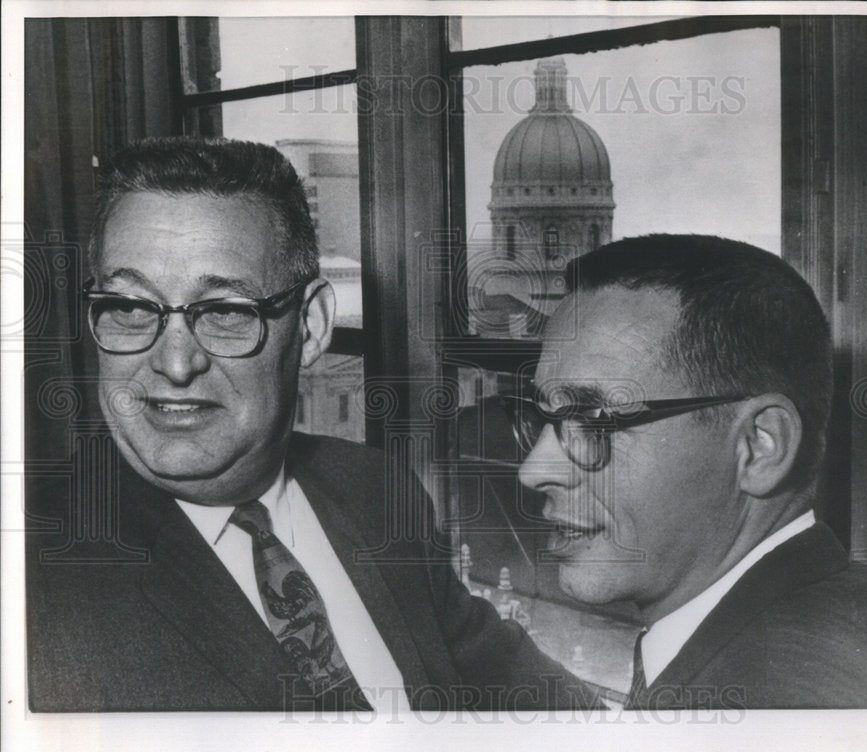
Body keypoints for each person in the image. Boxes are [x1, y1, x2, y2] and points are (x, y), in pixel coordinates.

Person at [25, 137, 593, 713]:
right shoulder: (30, 579)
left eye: (225, 311)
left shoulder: (377, 492)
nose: (175, 364)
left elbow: (512, 680)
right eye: (130, 308)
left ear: (313, 326)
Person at [510, 234, 867, 709]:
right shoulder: (821, 612)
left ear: (759, 447)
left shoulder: (769, 707)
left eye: (596, 419)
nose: (534, 469)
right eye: (544, 415)